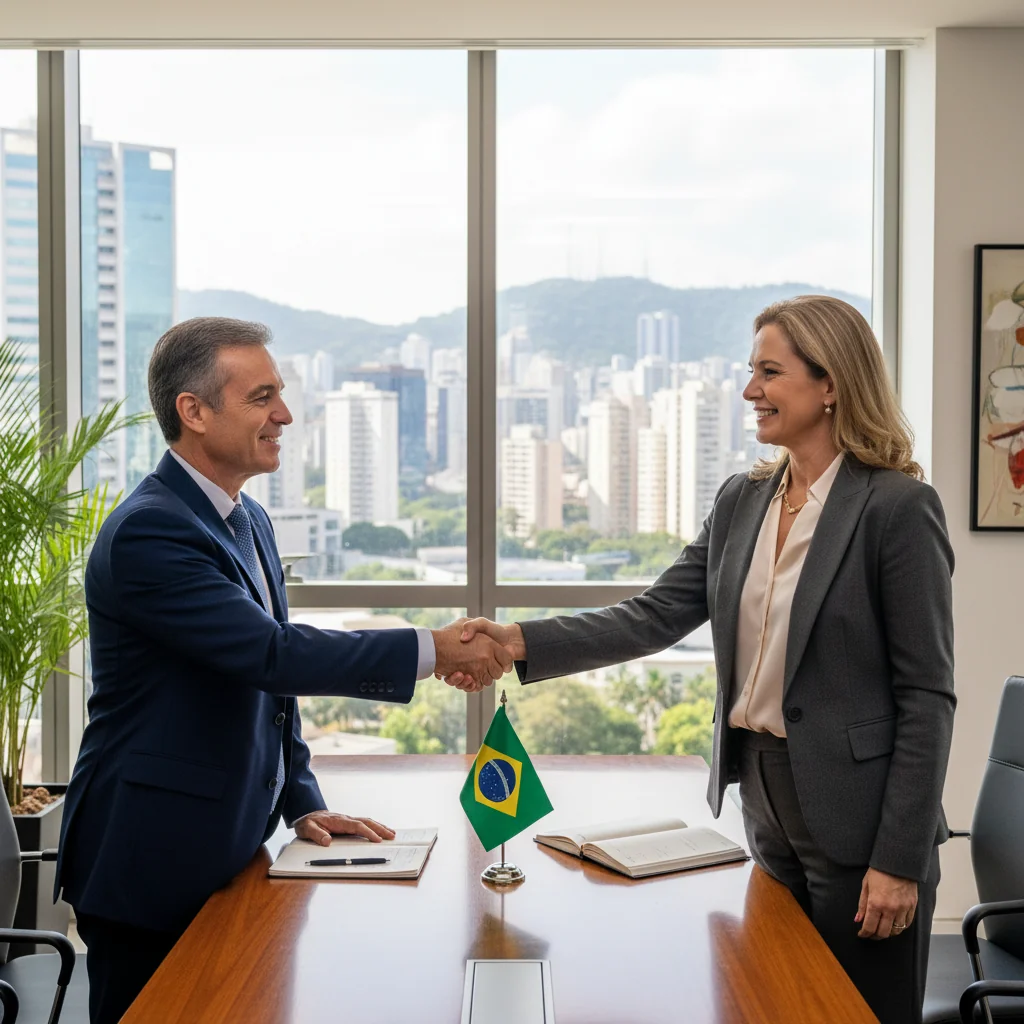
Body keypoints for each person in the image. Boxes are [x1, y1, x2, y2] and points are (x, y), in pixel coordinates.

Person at [451, 296, 955, 1024]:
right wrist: (518, 641)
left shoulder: (897, 508)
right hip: (765, 800)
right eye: (751, 371)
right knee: (772, 1002)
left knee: (856, 1012)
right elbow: (654, 616)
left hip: (862, 819)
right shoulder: (744, 498)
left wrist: (900, 860)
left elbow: (926, 695)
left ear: (832, 384)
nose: (750, 390)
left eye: (770, 372)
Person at [56, 317, 511, 1024]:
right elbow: (272, 653)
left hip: (228, 846)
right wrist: (436, 649)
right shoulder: (151, 531)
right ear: (194, 411)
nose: (285, 415)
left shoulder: (247, 518)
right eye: (262, 396)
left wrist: (301, 796)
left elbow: (267, 684)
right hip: (152, 855)